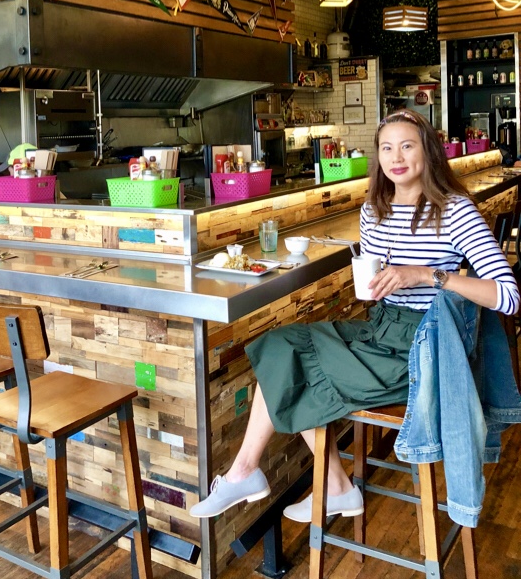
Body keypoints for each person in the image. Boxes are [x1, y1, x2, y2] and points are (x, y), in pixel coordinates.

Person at [190, 110, 519, 522]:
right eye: (386, 148)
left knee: (293, 363)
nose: (396, 157)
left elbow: (508, 297)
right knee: (281, 348)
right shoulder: (373, 212)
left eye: (407, 146)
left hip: (425, 350)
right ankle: (288, 480)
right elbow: (377, 281)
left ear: (428, 152)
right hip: (380, 328)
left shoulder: (455, 211)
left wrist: (428, 275)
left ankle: (288, 480)